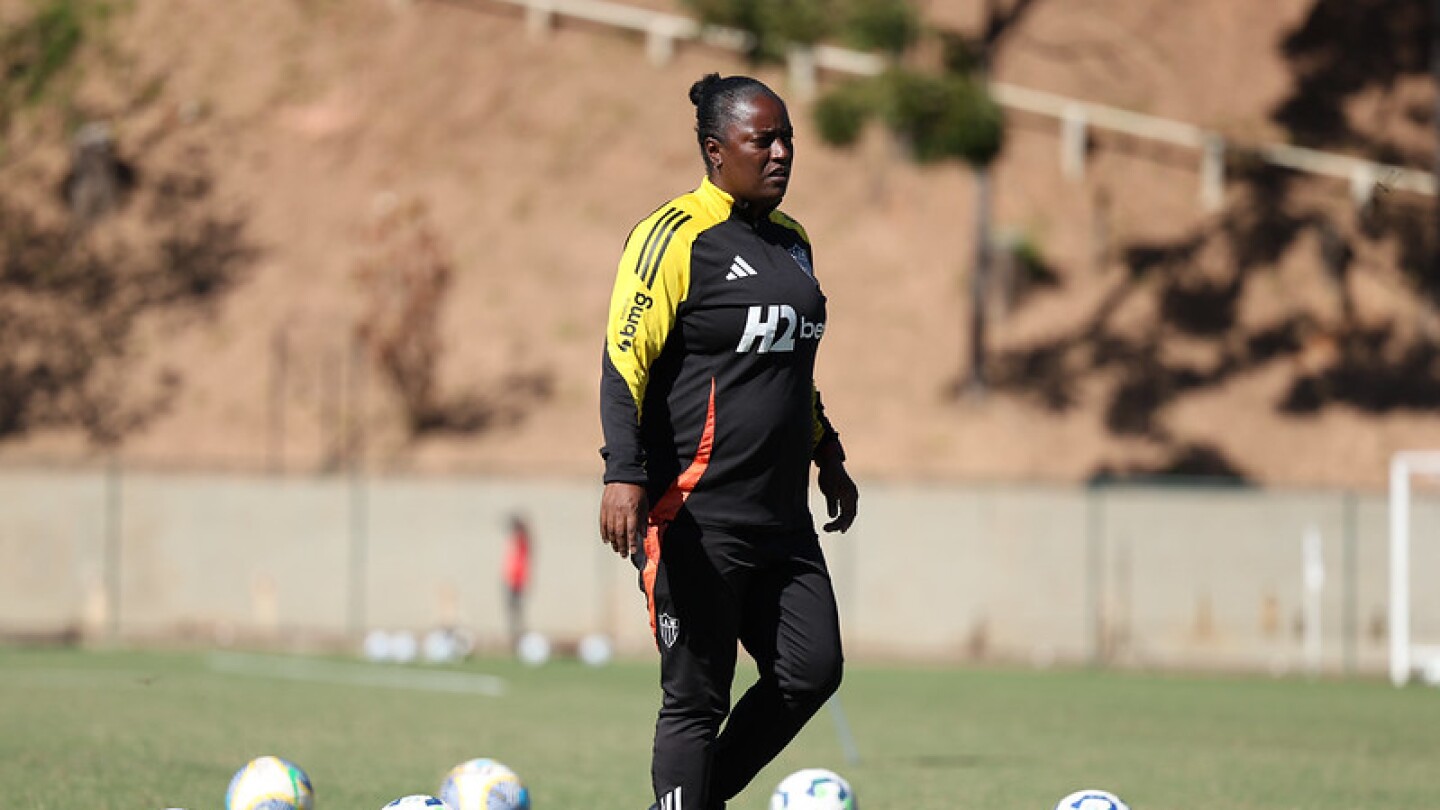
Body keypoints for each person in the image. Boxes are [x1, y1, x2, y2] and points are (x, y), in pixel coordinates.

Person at [598, 72, 859, 810]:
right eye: (763, 140)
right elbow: (625, 362)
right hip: (696, 516)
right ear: (716, 151)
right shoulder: (672, 236)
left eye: (787, 140)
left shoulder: (793, 242)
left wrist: (827, 450)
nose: (781, 154)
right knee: (695, 699)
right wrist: (623, 472)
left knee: (811, 669)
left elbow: (789, 369)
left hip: (781, 519)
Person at [503, 513, 531, 651]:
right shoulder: (519, 540)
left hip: (517, 581)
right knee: (513, 612)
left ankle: (520, 642)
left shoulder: (522, 540)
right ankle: (517, 640)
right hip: (513, 580)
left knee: (517, 612)